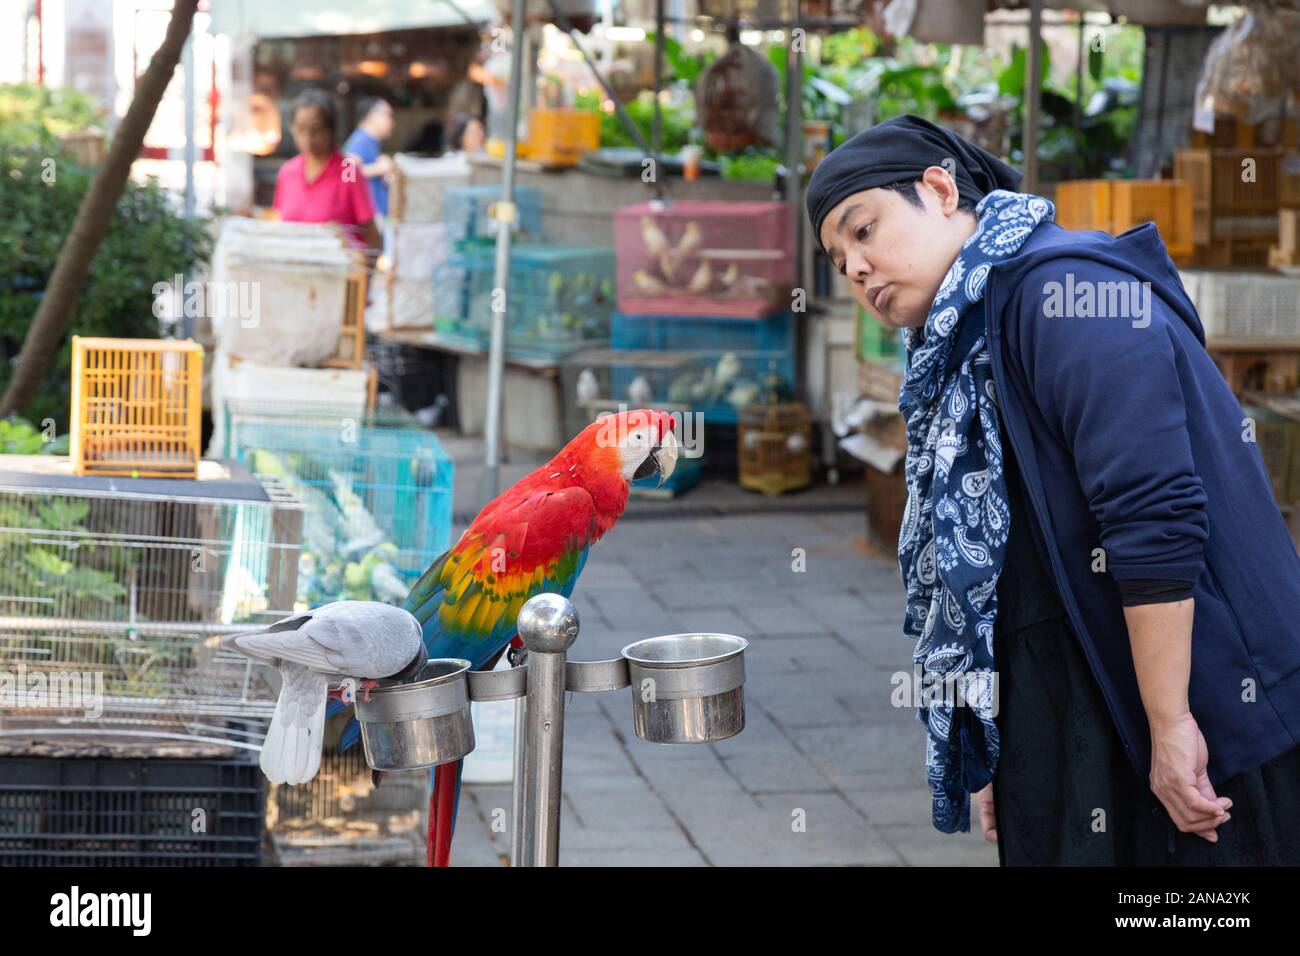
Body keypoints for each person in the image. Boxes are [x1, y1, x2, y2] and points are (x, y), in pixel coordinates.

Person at [806, 114, 1300, 866]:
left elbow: (1154, 516)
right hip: (1074, 702)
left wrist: (1171, 724)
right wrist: (1003, 741)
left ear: (940, 189)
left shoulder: (1065, 293)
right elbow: (1005, 570)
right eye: (839, 260)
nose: (857, 268)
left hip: (1202, 703)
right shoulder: (963, 339)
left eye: (864, 230)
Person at [273, 89, 380, 250]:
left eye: (316, 129)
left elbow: (369, 231)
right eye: (301, 129)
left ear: (330, 129)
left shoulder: (347, 169)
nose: (308, 138)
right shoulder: (287, 172)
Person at [344, 96, 396, 223]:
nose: (392, 122)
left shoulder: (372, 142)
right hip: (368, 218)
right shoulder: (359, 140)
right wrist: (378, 168)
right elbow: (347, 174)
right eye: (388, 115)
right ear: (372, 116)